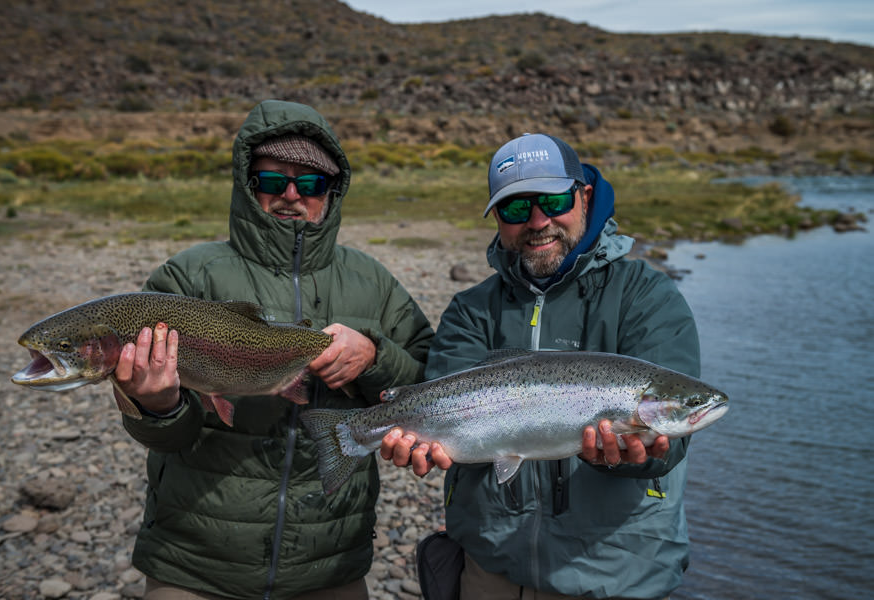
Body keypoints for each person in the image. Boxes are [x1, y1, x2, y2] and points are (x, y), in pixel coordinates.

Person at [112, 100, 434, 599]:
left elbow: (429, 386)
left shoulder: (375, 283)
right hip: (195, 564)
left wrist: (373, 356)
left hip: (330, 564)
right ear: (247, 185)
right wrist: (157, 405)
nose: (290, 195)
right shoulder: (187, 278)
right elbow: (170, 438)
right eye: (271, 181)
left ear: (331, 191)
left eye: (309, 184)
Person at [382, 133, 700, 599]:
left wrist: (640, 455)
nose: (538, 221)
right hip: (490, 569)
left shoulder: (646, 297)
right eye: (515, 209)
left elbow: (670, 442)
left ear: (584, 196)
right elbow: (442, 414)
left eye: (552, 200)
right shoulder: (472, 310)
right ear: (496, 218)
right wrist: (418, 440)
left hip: (616, 576)